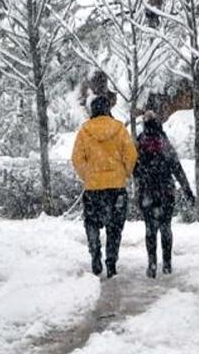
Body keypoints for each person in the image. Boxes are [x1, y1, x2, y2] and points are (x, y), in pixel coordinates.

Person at [71, 95, 137, 278]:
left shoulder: (85, 130)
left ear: (93, 110)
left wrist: (88, 175)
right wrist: (124, 173)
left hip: (93, 188)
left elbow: (77, 158)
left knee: (92, 223)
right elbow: (131, 155)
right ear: (108, 109)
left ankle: (95, 254)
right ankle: (111, 261)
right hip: (116, 188)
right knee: (114, 227)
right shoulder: (119, 129)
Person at [134, 111, 195, 278]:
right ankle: (167, 264)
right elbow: (177, 168)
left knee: (150, 230)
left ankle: (152, 265)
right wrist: (187, 190)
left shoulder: (140, 142)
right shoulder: (164, 142)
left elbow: (134, 170)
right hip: (166, 192)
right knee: (166, 227)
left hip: (148, 192)